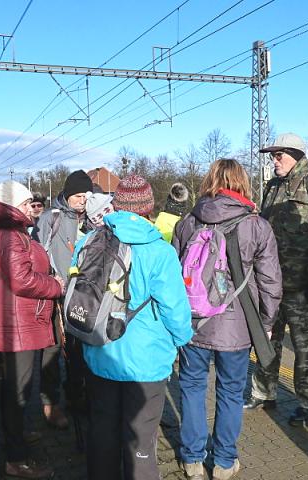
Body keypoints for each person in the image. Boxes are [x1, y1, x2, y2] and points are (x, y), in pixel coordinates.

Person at [74, 174, 193, 480]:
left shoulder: (90, 239)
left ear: (116, 204)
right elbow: (175, 309)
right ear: (148, 207)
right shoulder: (159, 251)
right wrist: (182, 339)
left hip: (100, 352)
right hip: (147, 362)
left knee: (102, 430)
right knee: (140, 439)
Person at [172, 159, 282, 480]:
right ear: (242, 184)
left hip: (193, 322)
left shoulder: (188, 222)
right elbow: (270, 282)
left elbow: (173, 272)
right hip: (236, 326)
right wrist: (266, 321)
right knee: (231, 391)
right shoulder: (256, 225)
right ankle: (223, 462)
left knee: (191, 388)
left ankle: (192, 459)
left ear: (210, 181)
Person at [244, 133, 308, 426]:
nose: (274, 162)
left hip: (302, 288)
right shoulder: (272, 188)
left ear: (295, 155)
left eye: (279, 156)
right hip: (272, 286)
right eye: (272, 156)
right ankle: (264, 393)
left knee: (306, 349)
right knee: (267, 342)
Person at [0, 180, 64, 479]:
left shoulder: (9, 233)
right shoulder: (10, 237)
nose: (31, 208)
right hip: (17, 324)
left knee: (15, 387)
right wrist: (56, 286)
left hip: (17, 320)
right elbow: (22, 280)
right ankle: (16, 459)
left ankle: (16, 437)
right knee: (17, 390)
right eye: (26, 203)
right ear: (14, 205)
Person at [32, 169, 94, 428]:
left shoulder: (93, 219)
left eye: (86, 196)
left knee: (81, 351)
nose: (82, 200)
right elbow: (35, 254)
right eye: (78, 196)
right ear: (67, 195)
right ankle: (51, 403)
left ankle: (77, 395)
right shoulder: (50, 219)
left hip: (85, 297)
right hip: (56, 296)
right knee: (53, 350)